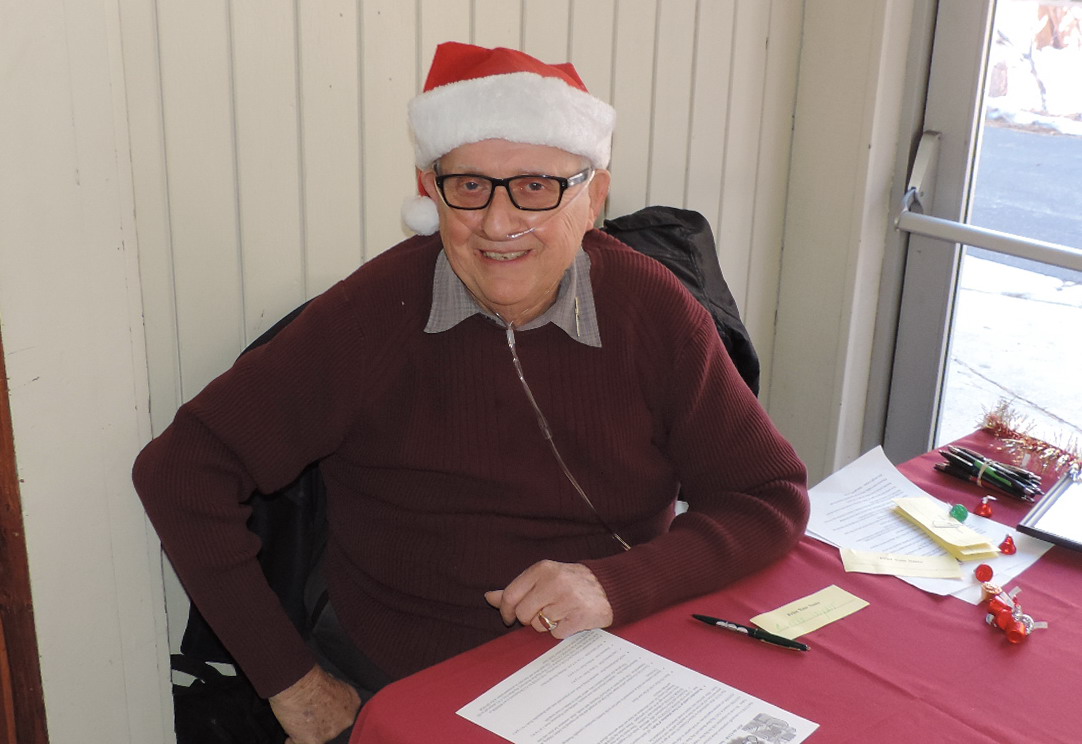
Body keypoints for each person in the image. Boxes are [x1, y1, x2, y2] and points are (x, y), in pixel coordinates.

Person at [133, 41, 810, 744]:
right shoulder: (371, 316)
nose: (498, 222)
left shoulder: (653, 309)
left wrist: (619, 584)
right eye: (470, 186)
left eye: (536, 187)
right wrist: (292, 686)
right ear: (433, 192)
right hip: (409, 674)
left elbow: (768, 494)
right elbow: (180, 471)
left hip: (611, 662)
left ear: (593, 197)